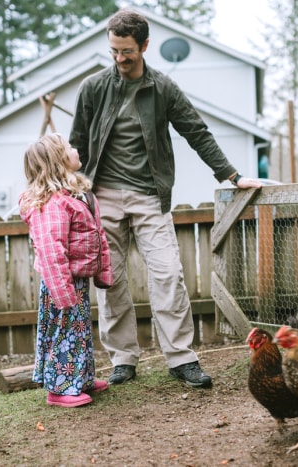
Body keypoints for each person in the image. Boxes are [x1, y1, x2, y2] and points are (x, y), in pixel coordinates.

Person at [69, 8, 262, 389]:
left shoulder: (162, 88)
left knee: (168, 274)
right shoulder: (93, 88)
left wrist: (232, 174)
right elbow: (76, 143)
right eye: (113, 51)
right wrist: (70, 186)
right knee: (111, 282)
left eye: (127, 51)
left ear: (144, 46)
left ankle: (181, 357)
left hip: (148, 197)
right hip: (102, 196)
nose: (120, 59)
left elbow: (197, 132)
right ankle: (123, 358)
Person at [19, 133, 114, 407]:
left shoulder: (75, 195)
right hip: (60, 282)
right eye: (69, 148)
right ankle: (59, 390)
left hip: (77, 279)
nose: (76, 149)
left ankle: (80, 379)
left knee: (80, 331)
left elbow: (97, 233)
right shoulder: (52, 204)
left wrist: (103, 272)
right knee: (64, 334)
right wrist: (63, 291)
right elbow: (51, 251)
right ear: (58, 161)